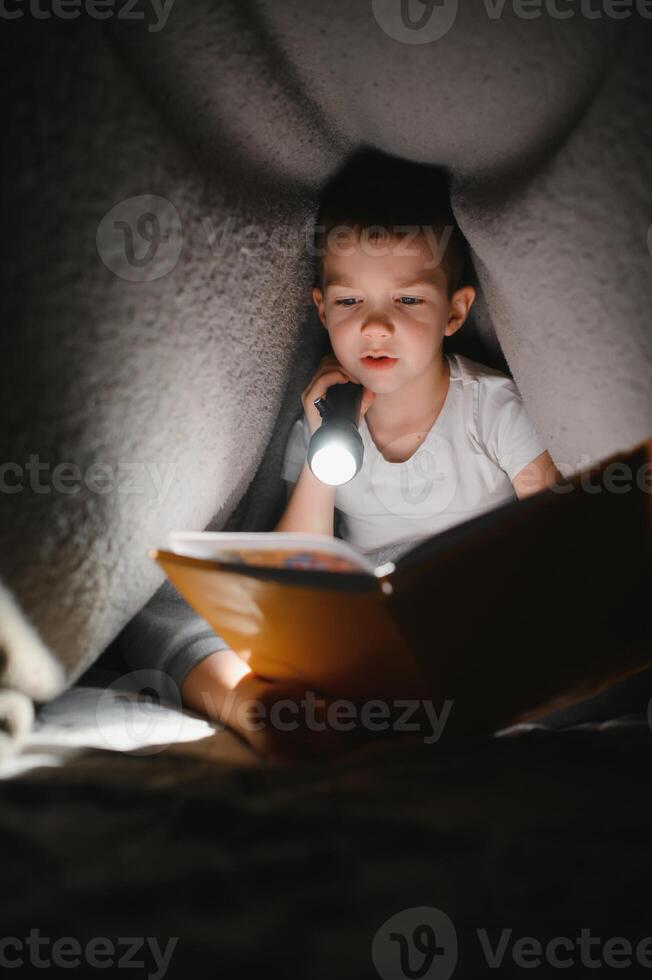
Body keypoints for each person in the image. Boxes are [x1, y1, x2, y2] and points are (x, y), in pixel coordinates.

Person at [123, 153, 563, 763]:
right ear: (323, 308)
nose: (376, 327)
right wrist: (324, 440)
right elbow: (293, 565)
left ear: (455, 312)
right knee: (156, 598)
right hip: (360, 618)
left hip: (464, 604)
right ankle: (258, 705)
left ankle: (417, 706)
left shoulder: (489, 405)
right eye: (352, 302)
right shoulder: (325, 414)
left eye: (407, 301)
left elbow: (555, 529)